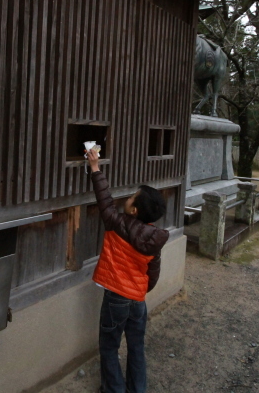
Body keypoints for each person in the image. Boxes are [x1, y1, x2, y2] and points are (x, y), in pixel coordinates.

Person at [86, 148, 169, 393]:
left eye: (132, 197)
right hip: (137, 300)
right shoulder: (155, 238)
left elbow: (104, 199)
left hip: (116, 298)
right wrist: (140, 290)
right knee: (136, 347)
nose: (128, 198)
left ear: (134, 211)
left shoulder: (116, 223)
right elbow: (153, 274)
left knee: (109, 347)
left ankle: (114, 390)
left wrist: (94, 168)